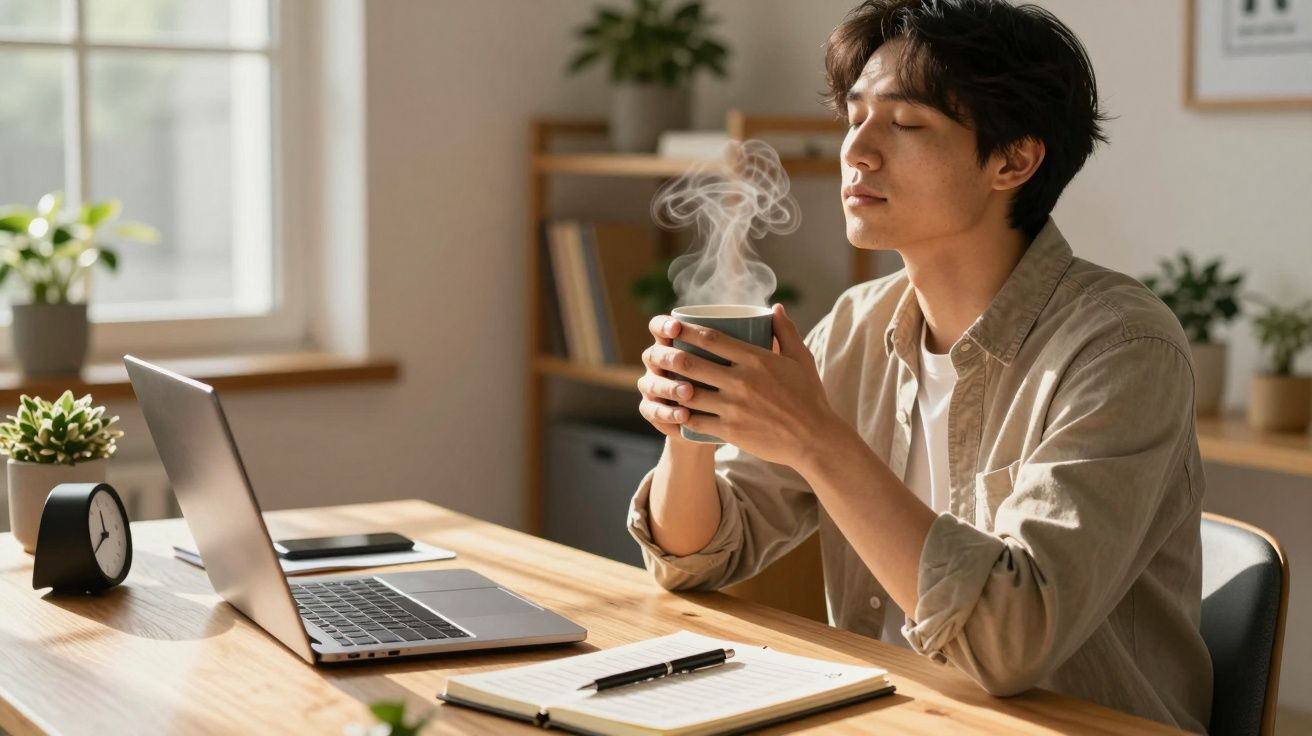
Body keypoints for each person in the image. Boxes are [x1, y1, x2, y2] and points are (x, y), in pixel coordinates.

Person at [627, 0, 1212, 731]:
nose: (857, 151)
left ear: (1014, 160)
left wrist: (816, 439)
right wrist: (692, 418)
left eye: (904, 125)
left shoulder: (1122, 351)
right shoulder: (860, 324)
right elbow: (698, 557)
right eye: (854, 117)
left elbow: (1010, 642)